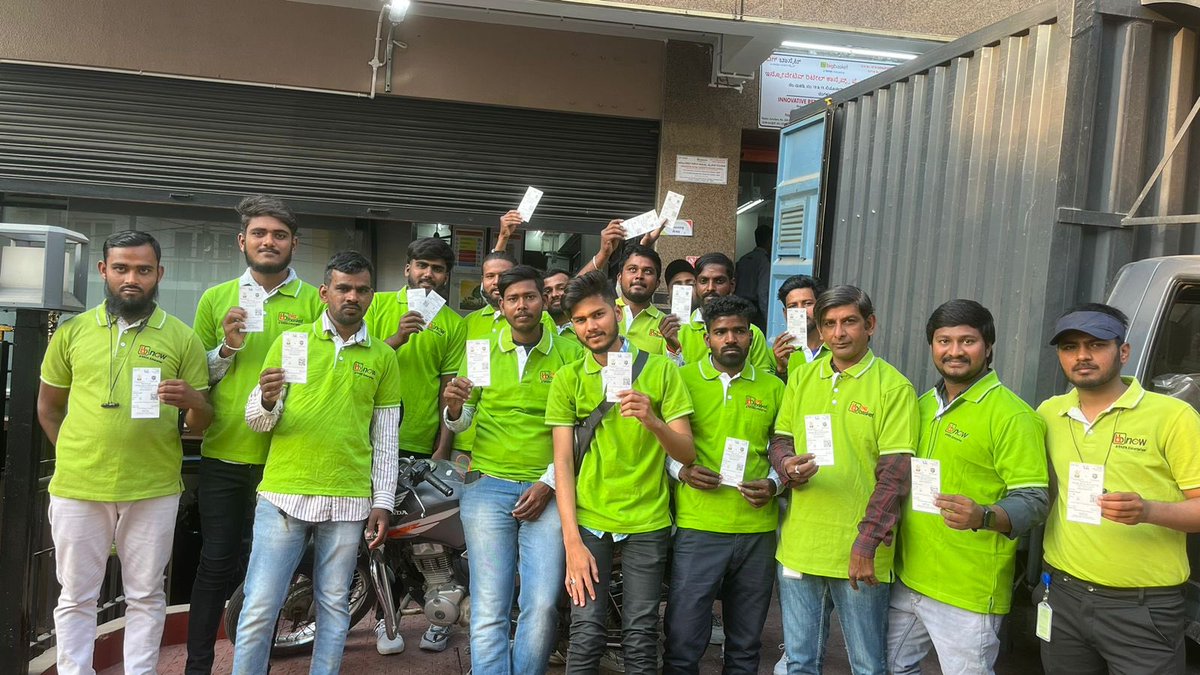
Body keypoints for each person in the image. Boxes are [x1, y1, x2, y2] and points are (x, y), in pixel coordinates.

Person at [38, 230, 212, 675]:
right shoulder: (72, 332)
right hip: (78, 487)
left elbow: (201, 425)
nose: (131, 278)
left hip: (153, 487)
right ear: (103, 270)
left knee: (146, 594)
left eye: (142, 269)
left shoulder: (182, 337)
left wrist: (194, 402)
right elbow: (48, 407)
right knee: (76, 595)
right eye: (121, 268)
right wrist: (77, 454)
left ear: (159, 274)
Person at [232, 251, 402, 674]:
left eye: (362, 290)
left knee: (333, 606)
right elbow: (256, 421)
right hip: (284, 495)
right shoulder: (292, 342)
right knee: (259, 607)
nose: (353, 296)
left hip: (348, 500)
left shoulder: (383, 357)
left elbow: (385, 438)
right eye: (343, 288)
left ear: (371, 298)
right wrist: (267, 398)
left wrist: (382, 500)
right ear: (325, 292)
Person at [186, 195, 323, 674]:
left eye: (279, 235)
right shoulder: (215, 298)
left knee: (269, 576)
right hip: (224, 452)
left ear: (294, 244)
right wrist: (227, 346)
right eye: (260, 234)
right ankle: (198, 667)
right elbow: (199, 379)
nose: (269, 242)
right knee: (215, 565)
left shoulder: (314, 301)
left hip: (287, 459)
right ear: (242, 240)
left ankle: (255, 665)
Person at [1036, 303, 1200, 674]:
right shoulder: (1048, 413)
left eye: (1096, 344)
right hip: (1062, 596)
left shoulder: (1173, 417)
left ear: (1123, 352)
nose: (1082, 356)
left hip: (1142, 608)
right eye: (1069, 347)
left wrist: (1148, 510)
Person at [888, 299, 1050, 675]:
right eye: (944, 341)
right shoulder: (921, 404)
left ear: (988, 347)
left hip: (967, 593)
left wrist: (984, 515)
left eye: (968, 341)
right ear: (932, 346)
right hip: (908, 580)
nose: (955, 351)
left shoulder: (1012, 415)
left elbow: (1034, 499)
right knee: (891, 668)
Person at [546, 271, 695, 673]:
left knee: (641, 631)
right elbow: (562, 463)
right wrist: (572, 542)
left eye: (597, 315)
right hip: (590, 520)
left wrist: (655, 421)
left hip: (648, 519)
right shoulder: (568, 378)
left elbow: (688, 452)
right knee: (586, 629)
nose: (591, 327)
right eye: (579, 320)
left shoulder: (662, 370)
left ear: (616, 311)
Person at [767, 285, 918, 675]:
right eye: (829, 324)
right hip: (800, 547)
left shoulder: (893, 387)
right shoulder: (802, 377)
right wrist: (786, 466)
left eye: (849, 321)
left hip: (859, 554)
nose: (839, 333)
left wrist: (865, 544)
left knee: (867, 665)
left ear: (870, 325)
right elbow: (781, 439)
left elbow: (895, 475)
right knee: (800, 662)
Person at [441, 264, 583, 675]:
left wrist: (547, 484)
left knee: (540, 604)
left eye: (530, 297)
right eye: (513, 299)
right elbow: (464, 418)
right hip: (487, 486)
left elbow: (581, 431)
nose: (522, 305)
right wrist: (453, 409)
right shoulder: (482, 348)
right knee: (490, 602)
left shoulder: (569, 353)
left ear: (545, 299)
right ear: (500, 305)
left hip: (550, 491)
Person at [664, 295, 784, 675]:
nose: (730, 338)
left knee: (746, 645)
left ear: (751, 337)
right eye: (720, 332)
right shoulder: (681, 380)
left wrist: (775, 483)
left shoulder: (775, 388)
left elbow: (786, 447)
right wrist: (679, 470)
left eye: (738, 331)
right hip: (699, 525)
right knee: (683, 641)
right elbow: (656, 445)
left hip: (756, 529)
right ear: (706, 338)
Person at [363, 236, 466, 653]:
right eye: (421, 265)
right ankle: (384, 620)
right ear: (407, 268)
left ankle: (437, 616)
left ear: (445, 277)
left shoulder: (452, 323)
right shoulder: (376, 304)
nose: (428, 275)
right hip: (367, 442)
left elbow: (449, 392)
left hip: (422, 447)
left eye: (438, 269)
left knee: (427, 539)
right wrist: (394, 340)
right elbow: (355, 360)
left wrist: (442, 449)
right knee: (373, 539)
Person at [678, 253, 774, 374]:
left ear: (732, 285)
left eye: (719, 281)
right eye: (704, 281)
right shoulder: (679, 331)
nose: (710, 288)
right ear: (695, 285)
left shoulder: (754, 333)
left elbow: (763, 380)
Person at [614, 244, 683, 357]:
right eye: (632, 269)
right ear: (619, 277)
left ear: (657, 283)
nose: (639, 276)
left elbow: (672, 370)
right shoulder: (602, 313)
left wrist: (673, 347)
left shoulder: (666, 325)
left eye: (648, 271)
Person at [770, 274, 828, 379]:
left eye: (807, 303)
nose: (801, 311)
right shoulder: (778, 352)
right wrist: (781, 369)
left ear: (821, 306)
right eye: (793, 306)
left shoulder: (836, 345)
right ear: (785, 313)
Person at [734, 224, 772, 329]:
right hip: (754, 308)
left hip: (737, 304)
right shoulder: (764, 262)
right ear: (769, 241)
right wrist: (767, 318)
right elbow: (763, 292)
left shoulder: (743, 259)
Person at [542, 268, 581, 346]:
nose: (554, 294)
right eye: (548, 291)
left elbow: (611, 356)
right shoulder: (537, 330)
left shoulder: (587, 326)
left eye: (561, 288)